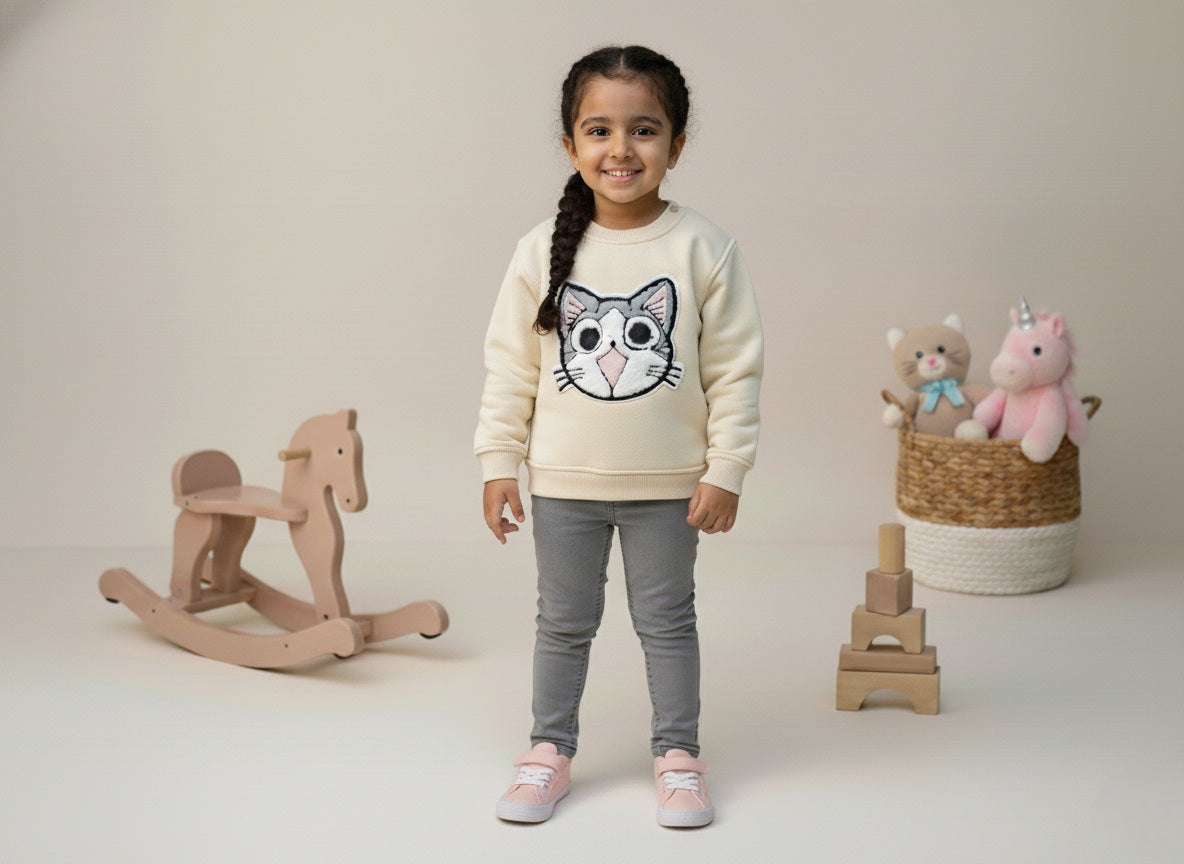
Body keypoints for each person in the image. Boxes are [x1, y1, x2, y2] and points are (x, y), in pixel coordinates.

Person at [474, 45, 763, 828]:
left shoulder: (705, 248)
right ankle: (547, 751)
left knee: (667, 622)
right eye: (598, 130)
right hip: (563, 481)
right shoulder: (541, 250)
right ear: (570, 145)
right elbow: (510, 367)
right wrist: (500, 461)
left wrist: (727, 467)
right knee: (562, 622)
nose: (621, 149)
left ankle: (678, 756)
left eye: (643, 130)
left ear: (676, 143)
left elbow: (737, 370)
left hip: (670, 485)